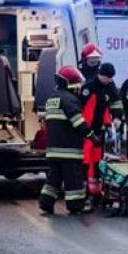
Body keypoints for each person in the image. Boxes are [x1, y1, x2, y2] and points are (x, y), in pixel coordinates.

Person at [40, 66, 96, 215]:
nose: (78, 88)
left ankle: (46, 203)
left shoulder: (52, 99)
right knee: (73, 179)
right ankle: (76, 205)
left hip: (53, 149)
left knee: (54, 178)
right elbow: (78, 122)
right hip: (69, 150)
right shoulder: (70, 100)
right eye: (76, 84)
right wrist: (91, 136)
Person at [80, 62, 124, 209]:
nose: (109, 80)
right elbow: (82, 111)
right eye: (107, 77)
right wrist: (85, 130)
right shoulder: (89, 88)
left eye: (111, 78)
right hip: (87, 132)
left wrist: (118, 117)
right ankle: (85, 193)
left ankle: (96, 193)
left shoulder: (110, 86)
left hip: (99, 131)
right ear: (100, 75)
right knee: (86, 163)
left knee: (98, 163)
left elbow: (116, 102)